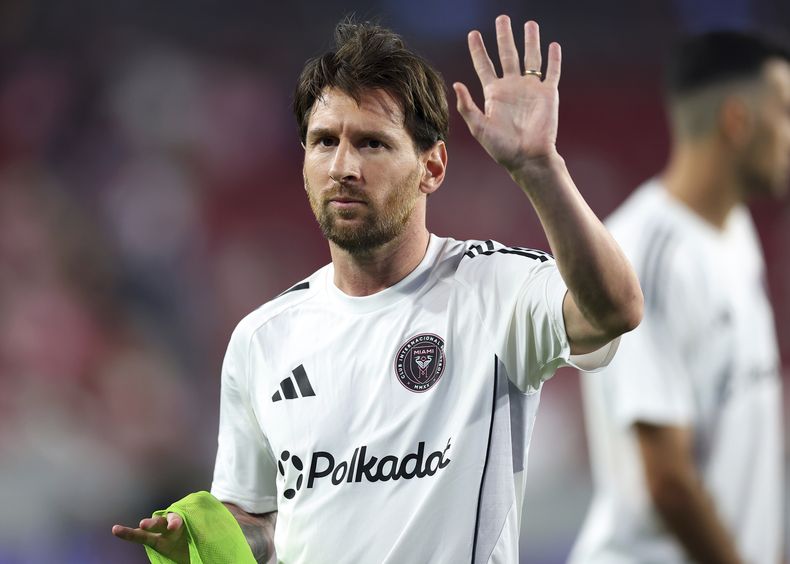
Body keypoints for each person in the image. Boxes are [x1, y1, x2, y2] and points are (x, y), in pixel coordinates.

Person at [113, 14, 643, 563]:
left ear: (431, 166)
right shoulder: (261, 339)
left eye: (371, 143)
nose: (342, 166)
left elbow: (614, 311)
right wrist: (198, 538)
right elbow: (262, 522)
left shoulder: (495, 289)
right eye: (323, 141)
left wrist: (539, 169)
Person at [570, 31, 790, 564]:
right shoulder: (642, 257)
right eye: (785, 111)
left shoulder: (733, 229)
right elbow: (668, 482)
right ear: (736, 121)